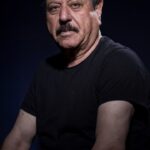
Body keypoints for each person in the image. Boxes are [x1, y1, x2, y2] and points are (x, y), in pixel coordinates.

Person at [2, 0, 150, 150]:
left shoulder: (119, 64)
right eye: (54, 8)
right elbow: (18, 140)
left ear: (98, 9)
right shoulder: (45, 70)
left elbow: (109, 146)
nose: (63, 16)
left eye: (75, 5)